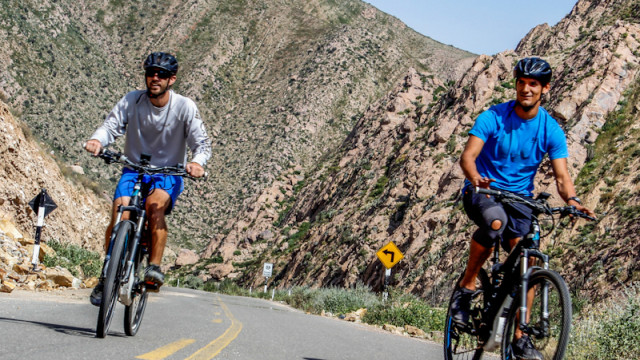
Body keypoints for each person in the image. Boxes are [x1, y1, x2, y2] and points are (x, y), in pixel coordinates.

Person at [454, 57, 595, 359]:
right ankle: (465, 290)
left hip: (520, 199)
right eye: (522, 83)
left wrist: (572, 202)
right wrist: (476, 178)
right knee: (494, 223)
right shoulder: (493, 117)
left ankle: (520, 337)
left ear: (544, 88)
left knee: (527, 263)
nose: (526, 89)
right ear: (516, 85)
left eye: (533, 84)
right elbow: (468, 157)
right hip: (484, 191)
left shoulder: (550, 130)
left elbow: (562, 176)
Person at [84, 52, 211, 306]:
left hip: (168, 173)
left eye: (161, 75)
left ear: (171, 79)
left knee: (154, 210)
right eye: (151, 73)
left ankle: (153, 267)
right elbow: (111, 126)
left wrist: (197, 163)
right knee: (120, 211)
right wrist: (98, 140)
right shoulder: (133, 100)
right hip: (134, 169)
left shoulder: (184, 107)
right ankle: (106, 274)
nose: (155, 78)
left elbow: (202, 144)